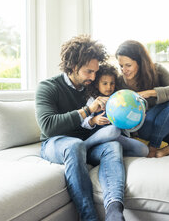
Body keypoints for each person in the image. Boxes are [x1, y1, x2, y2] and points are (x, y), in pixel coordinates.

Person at [35, 35, 125, 221]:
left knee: (113, 146)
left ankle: (114, 212)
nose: (93, 77)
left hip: (87, 144)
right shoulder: (48, 87)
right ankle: (89, 218)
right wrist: (86, 111)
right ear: (74, 67)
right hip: (56, 143)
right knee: (74, 145)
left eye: (95, 72)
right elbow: (48, 126)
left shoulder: (91, 88)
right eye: (88, 72)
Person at [82, 63, 149, 157]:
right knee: (113, 130)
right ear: (97, 84)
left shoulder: (121, 98)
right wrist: (94, 120)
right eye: (105, 83)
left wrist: (137, 120)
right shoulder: (93, 100)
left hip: (119, 137)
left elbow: (127, 126)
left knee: (143, 150)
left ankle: (115, 151)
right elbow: (84, 122)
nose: (109, 87)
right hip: (100, 136)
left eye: (112, 83)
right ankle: (84, 146)